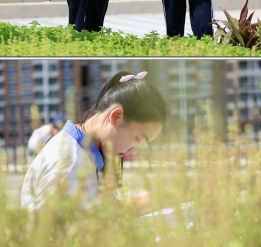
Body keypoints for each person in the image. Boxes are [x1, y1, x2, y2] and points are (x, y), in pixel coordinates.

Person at [21, 71, 167, 211]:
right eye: (137, 139)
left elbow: (102, 211)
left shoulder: (82, 150)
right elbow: (43, 229)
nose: (134, 150)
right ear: (116, 116)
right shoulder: (70, 163)